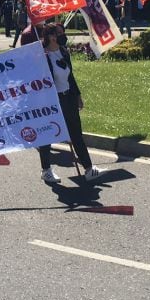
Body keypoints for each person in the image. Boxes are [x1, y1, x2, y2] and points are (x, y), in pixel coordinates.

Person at [35, 23, 103, 183]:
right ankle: (46, 170)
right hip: (53, 101)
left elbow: (70, 77)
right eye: (59, 33)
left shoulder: (63, 52)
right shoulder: (44, 57)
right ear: (51, 36)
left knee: (76, 134)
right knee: (49, 133)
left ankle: (88, 168)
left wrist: (77, 95)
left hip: (68, 98)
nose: (62, 35)